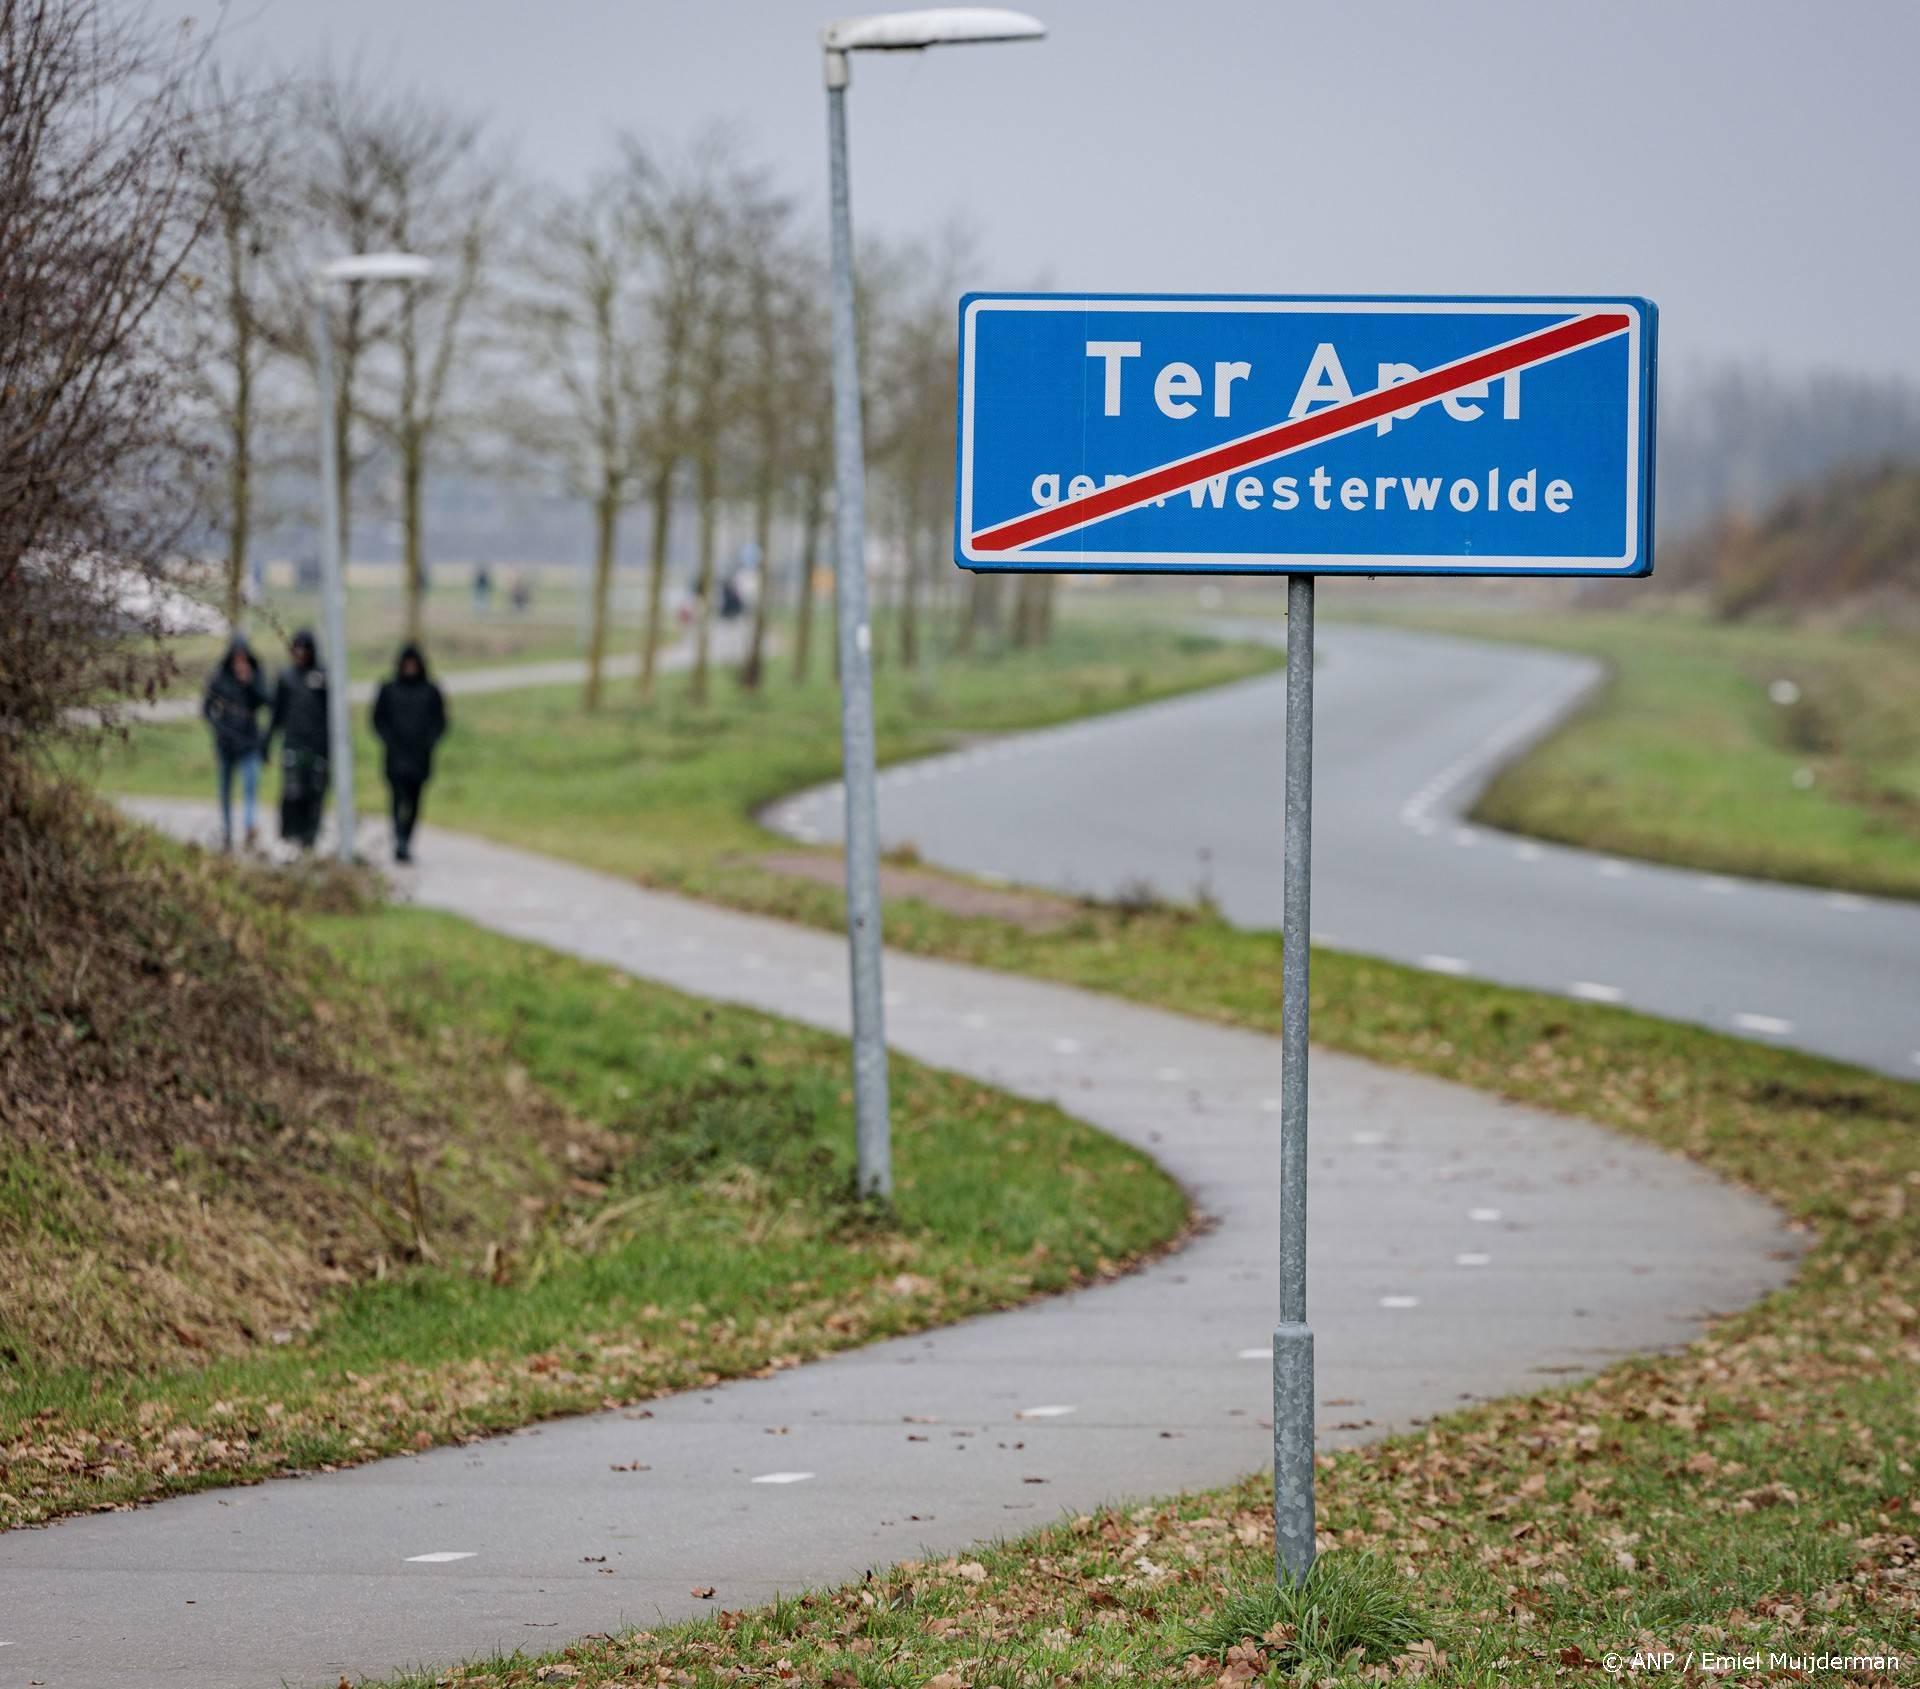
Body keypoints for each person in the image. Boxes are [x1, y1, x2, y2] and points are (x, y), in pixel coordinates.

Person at [371, 642, 448, 864]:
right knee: (396, 798)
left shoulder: (430, 691)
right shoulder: (389, 689)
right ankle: (399, 839)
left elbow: (440, 722)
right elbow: (378, 719)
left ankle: (406, 838)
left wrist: (428, 742)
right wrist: (389, 740)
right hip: (395, 755)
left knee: (414, 800)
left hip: (419, 756)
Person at [202, 638, 268, 852]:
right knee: (225, 791)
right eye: (236, 658)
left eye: (243, 658)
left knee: (250, 789)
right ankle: (227, 833)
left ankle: (249, 829)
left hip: (249, 743)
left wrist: (249, 683)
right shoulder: (219, 678)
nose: (239, 662)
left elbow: (266, 700)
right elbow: (206, 709)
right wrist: (220, 729)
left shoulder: (255, 675)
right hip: (226, 744)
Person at [267, 629, 330, 852]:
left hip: (318, 747)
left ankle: (309, 838)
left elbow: (333, 715)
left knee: (315, 793)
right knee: (293, 792)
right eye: (297, 648)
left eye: (305, 648)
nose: (301, 653)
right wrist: (266, 743)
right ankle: (289, 836)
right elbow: (276, 714)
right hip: (293, 744)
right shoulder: (286, 678)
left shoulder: (323, 677)